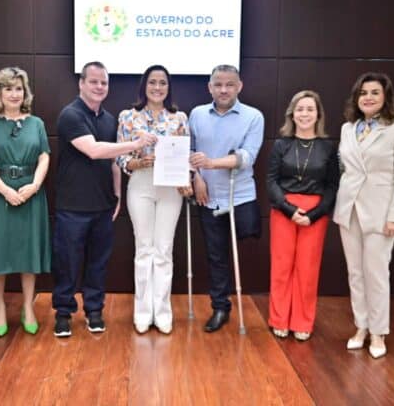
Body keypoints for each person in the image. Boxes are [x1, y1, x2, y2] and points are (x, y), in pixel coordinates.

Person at [53, 61, 156, 337]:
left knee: (98, 263)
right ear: (81, 83)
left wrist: (117, 194)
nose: (99, 87)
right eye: (94, 81)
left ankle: (94, 311)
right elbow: (94, 150)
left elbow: (113, 162)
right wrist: (135, 144)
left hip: (102, 205)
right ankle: (63, 314)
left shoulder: (110, 120)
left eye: (104, 82)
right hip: (72, 205)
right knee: (67, 263)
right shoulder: (70, 115)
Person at [333, 72, 394, 358]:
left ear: (385, 97)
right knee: (355, 273)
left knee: (377, 274)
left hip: (380, 213)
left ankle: (379, 332)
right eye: (363, 93)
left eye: (374, 92)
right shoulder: (348, 128)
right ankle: (361, 327)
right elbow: (346, 169)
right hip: (348, 210)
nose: (368, 97)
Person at [0, 67, 51, 337]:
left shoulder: (37, 123)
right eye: (8, 88)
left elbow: (44, 156)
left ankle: (28, 307)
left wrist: (35, 185)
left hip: (31, 191)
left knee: (29, 252)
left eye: (18, 88)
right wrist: (5, 190)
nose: (14, 94)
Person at [116, 65, 192, 335]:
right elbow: (120, 156)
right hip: (141, 184)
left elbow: (185, 154)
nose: (157, 87)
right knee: (144, 248)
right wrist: (139, 162)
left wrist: (186, 179)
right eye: (152, 82)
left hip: (170, 188)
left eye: (162, 83)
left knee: (164, 249)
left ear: (168, 87)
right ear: (144, 86)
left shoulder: (179, 118)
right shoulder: (128, 116)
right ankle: (142, 312)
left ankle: (162, 312)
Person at [189, 64, 264, 333]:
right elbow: (190, 152)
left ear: (239, 86)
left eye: (229, 84)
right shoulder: (197, 114)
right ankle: (220, 307)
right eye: (218, 85)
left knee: (248, 242)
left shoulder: (253, 116)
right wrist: (196, 177)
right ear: (209, 87)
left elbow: (247, 157)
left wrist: (211, 163)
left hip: (240, 195)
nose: (223, 90)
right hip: (208, 198)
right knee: (216, 255)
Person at [267, 90, 338, 341]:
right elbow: (271, 181)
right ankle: (279, 319)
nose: (304, 114)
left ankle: (302, 322)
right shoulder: (281, 144)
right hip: (283, 210)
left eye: (310, 109)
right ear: (292, 114)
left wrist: (314, 214)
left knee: (307, 270)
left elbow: (332, 186)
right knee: (281, 267)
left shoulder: (327, 147)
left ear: (318, 114)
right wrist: (288, 209)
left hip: (314, 213)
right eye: (300, 109)